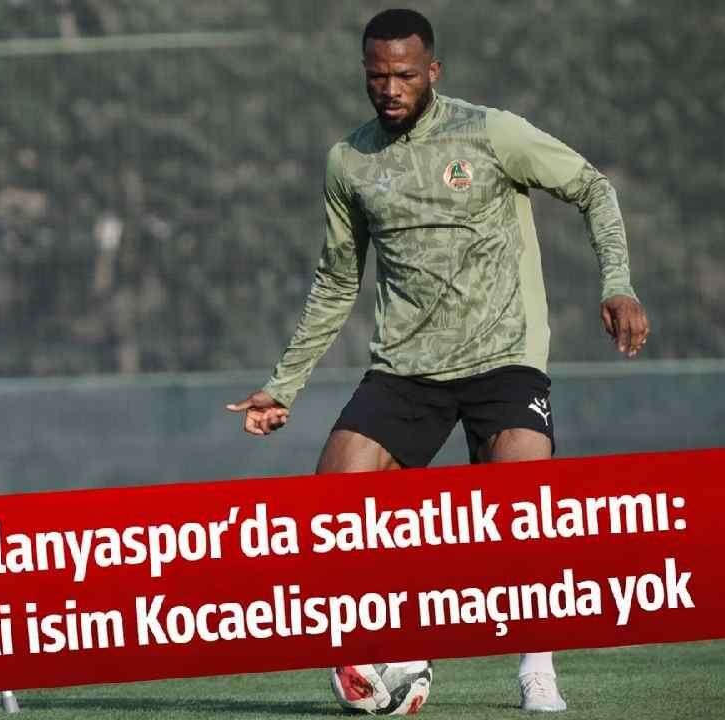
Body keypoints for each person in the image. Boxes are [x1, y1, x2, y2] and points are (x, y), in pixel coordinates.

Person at [225, 7, 650, 714]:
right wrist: (283, 385)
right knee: (333, 501)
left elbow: (592, 188)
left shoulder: (491, 133)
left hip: (503, 357)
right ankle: (385, 648)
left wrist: (618, 283)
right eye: (377, 76)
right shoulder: (349, 161)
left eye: (404, 75)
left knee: (523, 505)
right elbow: (336, 281)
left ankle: (537, 666)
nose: (390, 89)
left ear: (433, 72)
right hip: (406, 366)